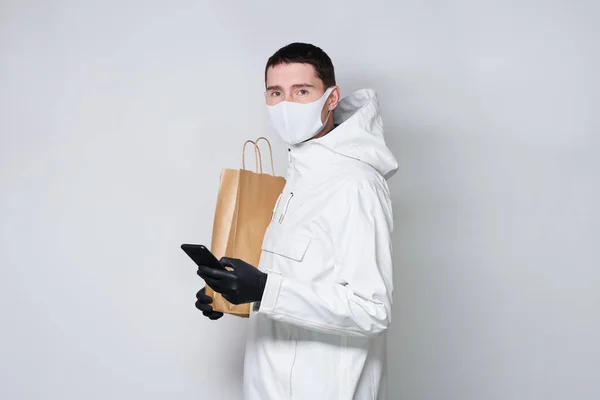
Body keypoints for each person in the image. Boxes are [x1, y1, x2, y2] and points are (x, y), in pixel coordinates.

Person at [195, 42, 398, 400]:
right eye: (276, 93)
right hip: (270, 385)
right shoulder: (299, 177)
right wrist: (234, 294)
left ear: (331, 98)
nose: (286, 104)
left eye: (302, 91)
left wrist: (263, 289)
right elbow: (296, 283)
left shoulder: (355, 184)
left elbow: (372, 309)